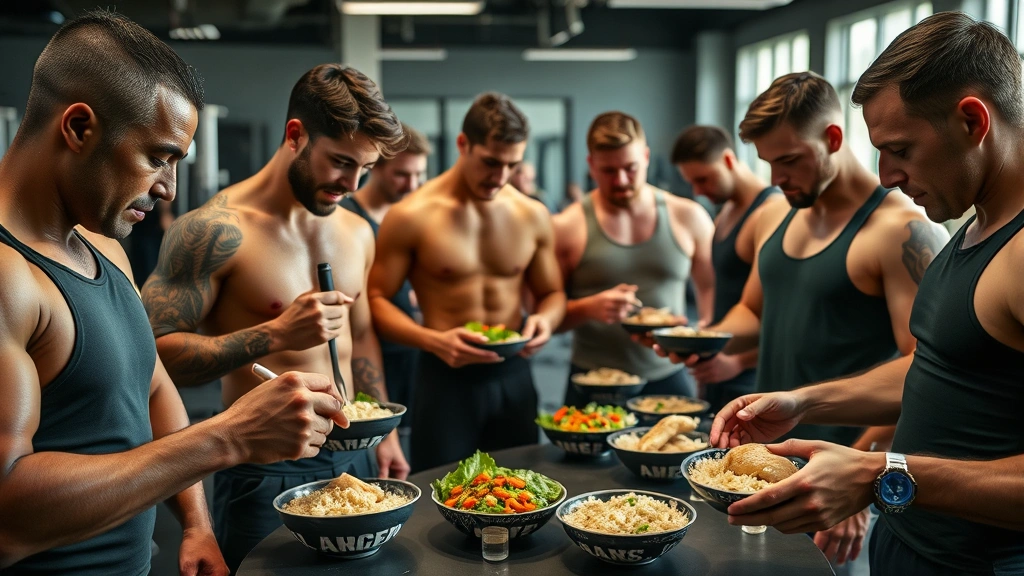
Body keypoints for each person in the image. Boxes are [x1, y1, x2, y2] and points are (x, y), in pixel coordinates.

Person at [0, 11, 350, 575]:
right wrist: (229, 437)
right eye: (158, 157)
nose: (168, 189)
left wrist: (196, 524)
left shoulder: (101, 247)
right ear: (79, 127)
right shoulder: (7, 277)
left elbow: (154, 389)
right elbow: (6, 520)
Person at [707, 13, 1024, 574]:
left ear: (972, 120)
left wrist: (880, 472)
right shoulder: (977, 228)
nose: (886, 175)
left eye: (900, 149)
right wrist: (808, 401)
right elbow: (936, 367)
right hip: (909, 545)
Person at [644, 72, 948, 566]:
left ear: (832, 138)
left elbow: (925, 371)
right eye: (767, 164)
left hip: (837, 474)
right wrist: (695, 338)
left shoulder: (901, 231)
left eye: (788, 160)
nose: (776, 179)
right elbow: (752, 311)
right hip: (762, 458)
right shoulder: (780, 214)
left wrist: (865, 473)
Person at [141, 64, 410, 572]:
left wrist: (385, 434)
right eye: (339, 162)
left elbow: (364, 335)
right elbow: (154, 358)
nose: (351, 183)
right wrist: (276, 333)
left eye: (364, 169)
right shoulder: (213, 231)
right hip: (265, 466)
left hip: (355, 454)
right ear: (295, 135)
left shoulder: (358, 232)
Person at [368, 92, 566, 472]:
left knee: (520, 494)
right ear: (463, 144)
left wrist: (546, 321)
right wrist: (431, 340)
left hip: (514, 375)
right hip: (445, 376)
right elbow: (375, 299)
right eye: (491, 162)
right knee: (440, 494)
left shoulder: (531, 214)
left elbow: (552, 294)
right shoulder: (412, 214)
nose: (501, 177)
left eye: (513, 165)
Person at [554, 111, 715, 404]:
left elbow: (710, 290)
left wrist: (702, 344)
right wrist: (588, 308)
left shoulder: (689, 216)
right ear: (591, 166)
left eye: (631, 168)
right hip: (593, 380)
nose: (621, 180)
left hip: (669, 374)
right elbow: (545, 317)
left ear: (646, 157)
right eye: (608, 171)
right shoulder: (566, 226)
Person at [671, 125, 783, 412]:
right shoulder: (725, 212)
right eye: (692, 182)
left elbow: (779, 318)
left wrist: (737, 362)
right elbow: (721, 291)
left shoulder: (770, 213)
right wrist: (700, 341)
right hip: (719, 365)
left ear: (729, 160)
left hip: (749, 375)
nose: (698, 191)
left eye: (703, 179)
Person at [340, 123, 430, 436]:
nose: (412, 184)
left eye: (419, 175)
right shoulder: (347, 218)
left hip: (415, 353)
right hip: (372, 354)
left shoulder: (412, 218)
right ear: (375, 167)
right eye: (402, 174)